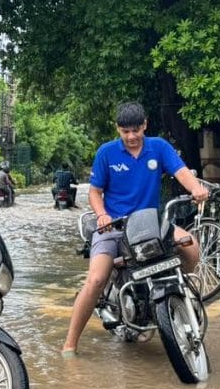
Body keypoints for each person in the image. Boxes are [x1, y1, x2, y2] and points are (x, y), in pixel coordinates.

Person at [62, 101, 208, 356]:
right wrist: (102, 215)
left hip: (152, 223)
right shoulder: (106, 153)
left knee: (191, 247)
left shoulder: (159, 147)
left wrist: (195, 188)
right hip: (114, 227)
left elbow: (182, 172)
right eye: (125, 131)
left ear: (145, 125)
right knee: (96, 279)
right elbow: (95, 193)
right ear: (118, 129)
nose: (131, 137)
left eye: (135, 131)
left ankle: (179, 294)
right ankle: (70, 344)